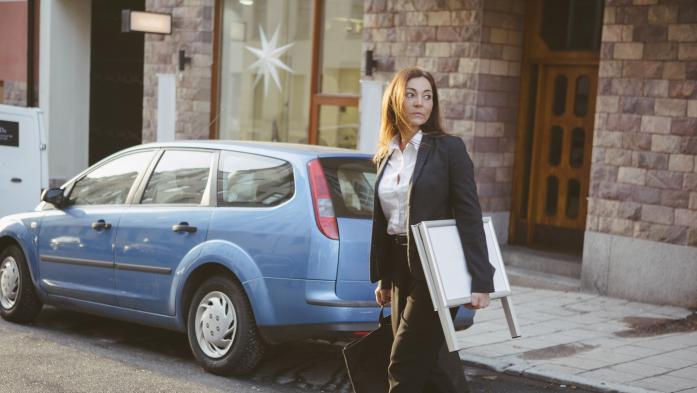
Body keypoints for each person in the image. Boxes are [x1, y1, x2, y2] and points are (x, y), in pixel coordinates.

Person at [370, 67, 495, 393]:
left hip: (435, 269)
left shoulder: (448, 149)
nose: (419, 103)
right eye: (411, 94)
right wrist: (385, 278)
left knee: (403, 363)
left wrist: (482, 279)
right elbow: (388, 221)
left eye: (427, 96)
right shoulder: (387, 154)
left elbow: (469, 214)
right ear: (396, 99)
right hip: (400, 270)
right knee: (434, 366)